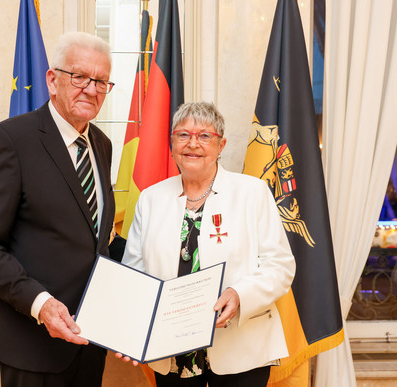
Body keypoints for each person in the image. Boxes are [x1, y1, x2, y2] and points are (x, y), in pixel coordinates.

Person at [0, 31, 116, 387]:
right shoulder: (11, 140)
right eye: (79, 77)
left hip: (90, 341)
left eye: (102, 82)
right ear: (52, 80)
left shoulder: (102, 145)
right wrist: (41, 304)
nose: (91, 90)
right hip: (31, 344)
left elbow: (92, 240)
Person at [120, 102, 296, 386]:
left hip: (242, 352)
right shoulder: (151, 199)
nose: (193, 144)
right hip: (171, 352)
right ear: (172, 143)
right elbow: (134, 272)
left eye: (204, 136)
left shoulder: (252, 193)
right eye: (183, 135)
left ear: (221, 144)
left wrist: (240, 294)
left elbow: (281, 266)